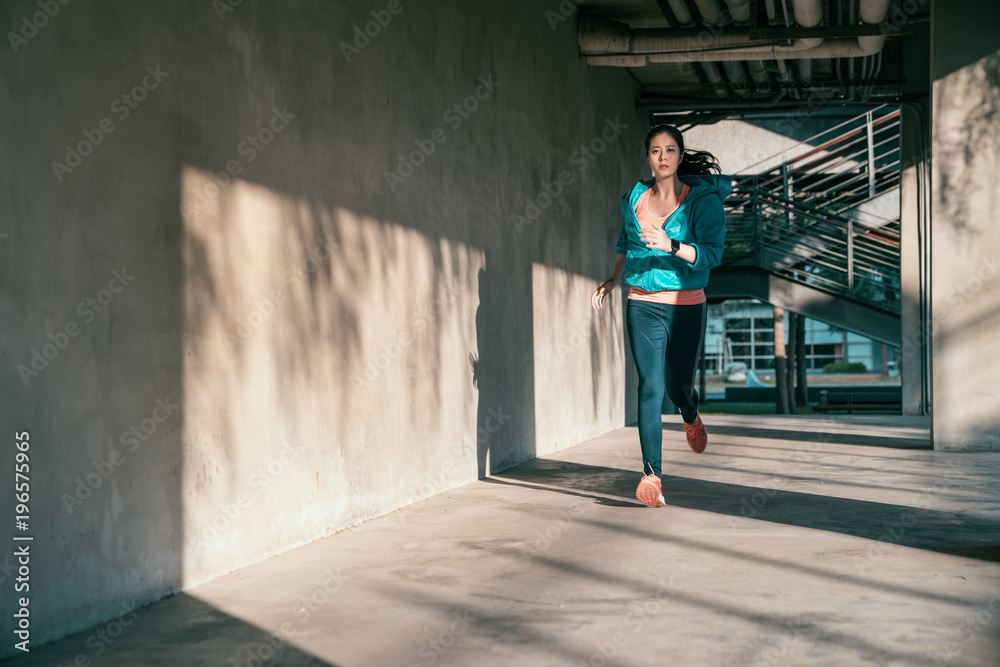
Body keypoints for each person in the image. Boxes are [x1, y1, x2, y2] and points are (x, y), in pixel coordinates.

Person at [591, 124, 731, 508]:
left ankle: (690, 412)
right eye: (656, 151)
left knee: (677, 388)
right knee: (649, 386)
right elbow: (625, 241)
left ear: (680, 157)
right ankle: (652, 475)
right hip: (642, 302)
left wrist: (671, 244)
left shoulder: (702, 202)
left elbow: (710, 255)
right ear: (648, 157)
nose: (663, 157)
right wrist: (611, 278)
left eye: (671, 150)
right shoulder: (634, 199)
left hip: (685, 303)